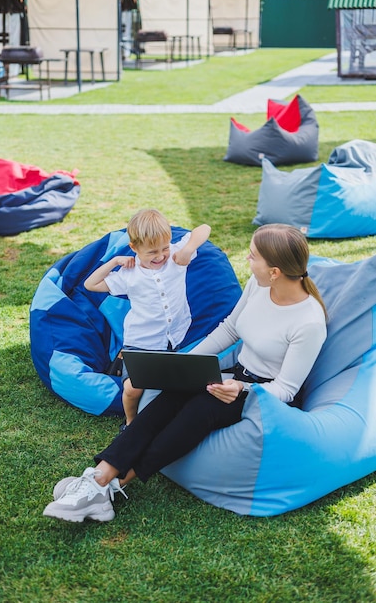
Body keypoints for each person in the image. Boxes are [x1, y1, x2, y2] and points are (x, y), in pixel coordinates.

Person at [43, 223, 327, 524]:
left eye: (253, 256)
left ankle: (112, 486)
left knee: (198, 411)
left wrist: (243, 390)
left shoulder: (308, 322)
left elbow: (287, 389)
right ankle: (99, 477)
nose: (248, 260)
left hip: (262, 394)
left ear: (275, 271)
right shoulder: (259, 285)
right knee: (169, 397)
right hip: (235, 375)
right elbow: (230, 328)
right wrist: (185, 364)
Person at [84, 208, 211, 427]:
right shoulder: (129, 274)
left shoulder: (175, 255)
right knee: (133, 388)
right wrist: (114, 262)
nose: (160, 256)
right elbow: (91, 284)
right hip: (141, 341)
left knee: (178, 382)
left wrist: (187, 249)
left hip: (175, 336)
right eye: (152, 252)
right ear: (134, 248)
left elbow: (204, 229)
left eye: (164, 248)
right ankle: (131, 422)